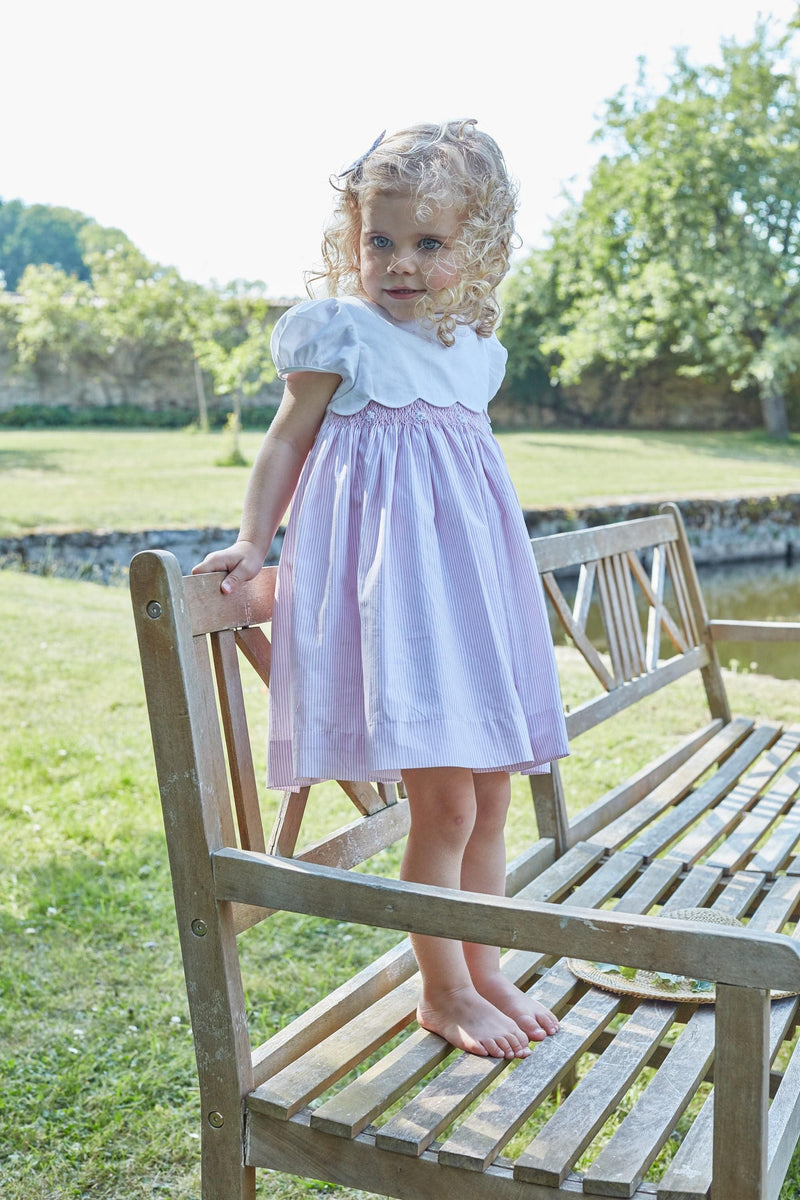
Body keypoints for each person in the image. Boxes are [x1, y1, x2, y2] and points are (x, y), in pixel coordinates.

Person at [193, 120, 569, 1060]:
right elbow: (286, 443)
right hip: (401, 617)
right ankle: (441, 990)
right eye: (380, 241)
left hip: (469, 611)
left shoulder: (474, 348)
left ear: (476, 247)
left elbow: (464, 492)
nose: (399, 263)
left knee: (490, 804)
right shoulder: (341, 335)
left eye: (429, 243)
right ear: (352, 240)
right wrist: (252, 542)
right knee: (443, 809)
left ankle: (484, 965)